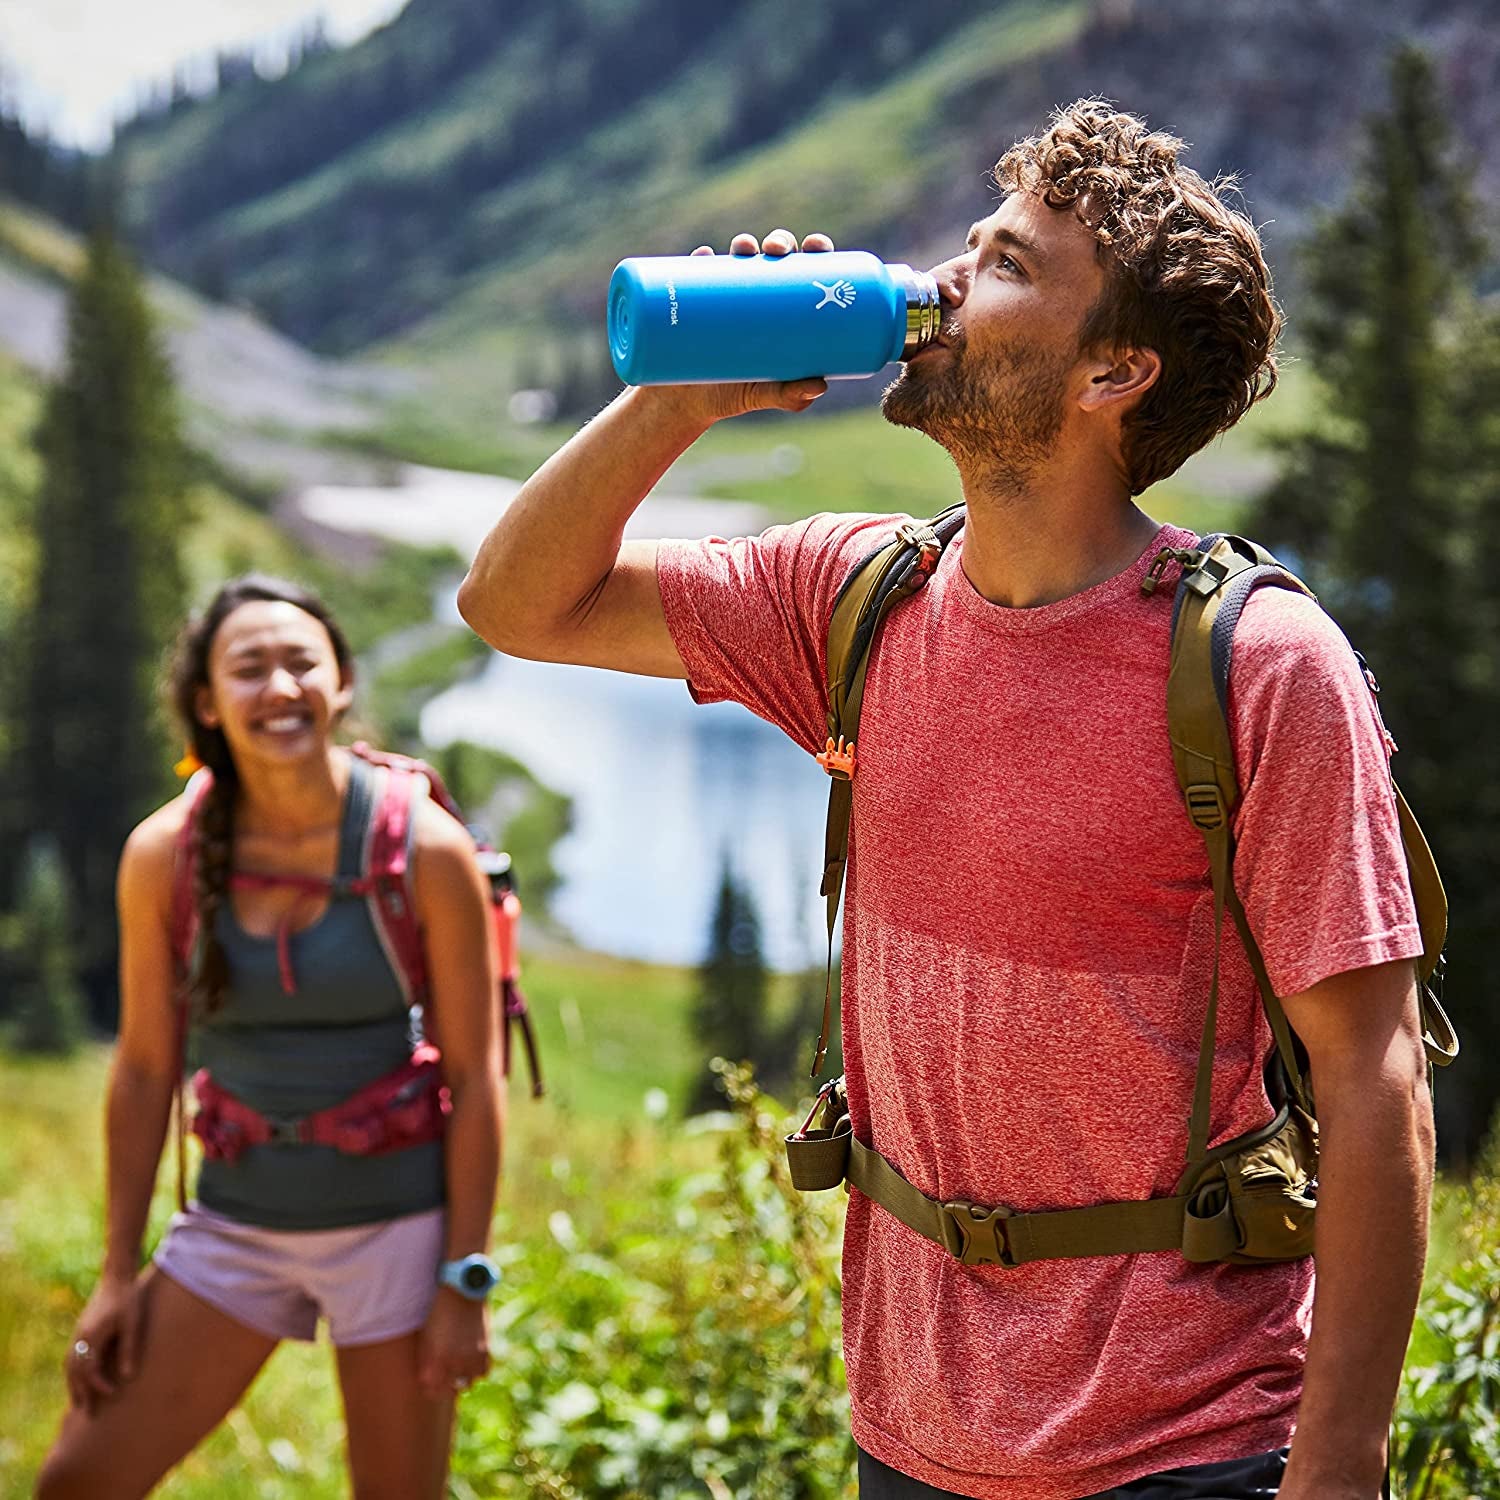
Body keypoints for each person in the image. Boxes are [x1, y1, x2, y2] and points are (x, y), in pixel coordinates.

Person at [456, 99, 1434, 1500]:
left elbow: (1374, 1074)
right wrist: (680, 395)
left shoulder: (1258, 664)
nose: (946, 282)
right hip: (909, 1431)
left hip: (1187, 1443)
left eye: (1011, 267)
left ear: (1115, 375)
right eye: (972, 245)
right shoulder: (857, 597)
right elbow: (513, 601)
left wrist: (1340, 1463)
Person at [36, 576, 504, 1500]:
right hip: (233, 1228)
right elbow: (141, 1071)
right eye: (249, 669)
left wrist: (464, 1281)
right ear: (208, 703)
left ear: (339, 685)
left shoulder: (428, 849)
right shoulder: (163, 855)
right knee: (75, 1484)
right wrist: (116, 1276)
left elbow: (476, 1081)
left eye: (301, 663)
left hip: (398, 1238)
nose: (279, 687)